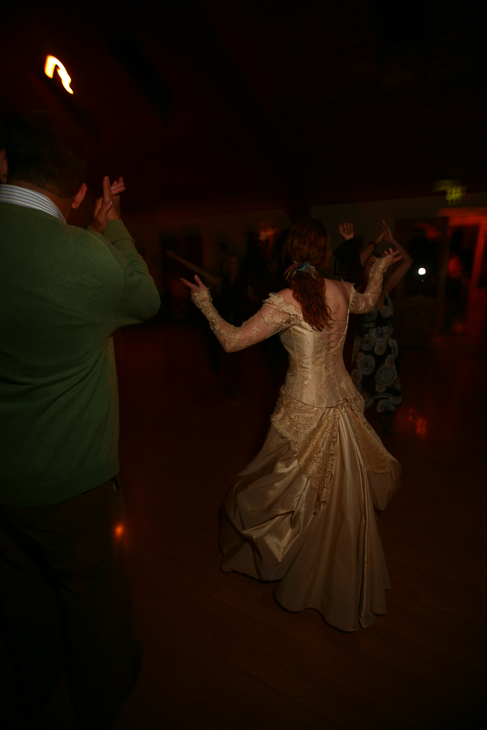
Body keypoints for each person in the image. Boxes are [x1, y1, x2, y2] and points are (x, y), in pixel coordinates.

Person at [0, 112, 160, 728]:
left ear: (4, 162)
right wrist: (112, 231)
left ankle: (36, 680)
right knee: (93, 597)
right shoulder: (89, 256)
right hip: (74, 485)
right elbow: (144, 299)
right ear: (80, 194)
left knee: (19, 592)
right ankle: (100, 694)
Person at [182, 218, 402, 632]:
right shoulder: (339, 289)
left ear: (290, 251)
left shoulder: (287, 298)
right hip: (341, 407)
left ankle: (301, 566)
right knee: (333, 499)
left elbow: (231, 341)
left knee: (275, 492)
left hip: (303, 412)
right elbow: (370, 301)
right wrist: (379, 268)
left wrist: (205, 304)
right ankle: (330, 572)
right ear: (322, 253)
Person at [351, 220, 413, 434]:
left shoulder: (386, 288)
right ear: (365, 268)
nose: (375, 265)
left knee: (387, 383)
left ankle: (386, 420)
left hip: (387, 347)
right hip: (365, 349)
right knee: (362, 385)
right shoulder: (357, 291)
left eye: (379, 262)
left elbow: (407, 262)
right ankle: (360, 424)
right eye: (371, 263)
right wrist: (376, 242)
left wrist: (392, 240)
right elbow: (355, 264)